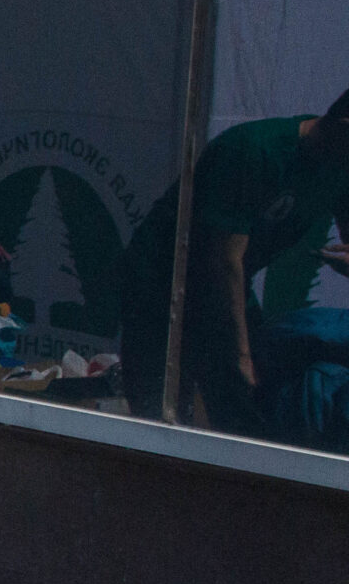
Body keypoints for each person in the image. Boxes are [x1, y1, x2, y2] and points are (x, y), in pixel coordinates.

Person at [119, 89, 349, 432]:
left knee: (245, 408)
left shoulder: (339, 168)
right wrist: (239, 357)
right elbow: (224, 262)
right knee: (161, 413)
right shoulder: (253, 151)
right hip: (161, 284)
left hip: (226, 284)